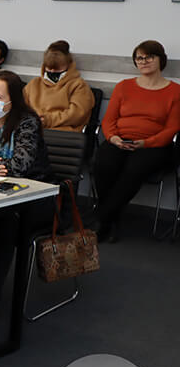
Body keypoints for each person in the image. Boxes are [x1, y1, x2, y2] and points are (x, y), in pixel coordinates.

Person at [94, 40, 180, 243]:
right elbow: (109, 120)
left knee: (133, 170)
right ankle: (111, 220)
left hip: (154, 145)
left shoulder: (175, 92)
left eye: (149, 57)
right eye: (139, 58)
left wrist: (146, 143)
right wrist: (113, 138)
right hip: (120, 139)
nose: (144, 61)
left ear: (161, 60)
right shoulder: (124, 87)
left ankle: (102, 219)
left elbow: (172, 129)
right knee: (103, 163)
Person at [23, 40, 94, 132]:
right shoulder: (33, 84)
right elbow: (21, 107)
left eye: (57, 69)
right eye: (49, 67)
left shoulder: (79, 86)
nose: (52, 71)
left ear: (68, 66)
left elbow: (77, 115)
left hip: (62, 134)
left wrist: (48, 120)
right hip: (33, 129)